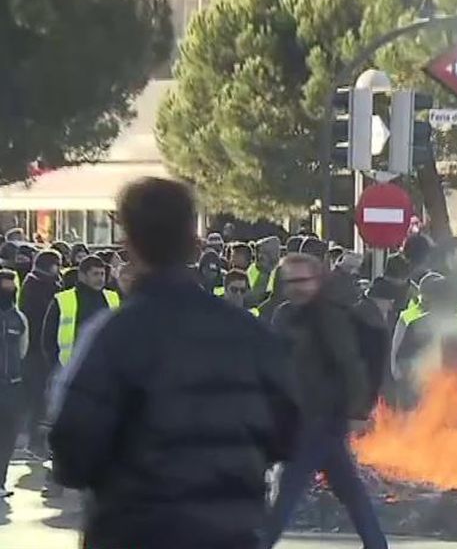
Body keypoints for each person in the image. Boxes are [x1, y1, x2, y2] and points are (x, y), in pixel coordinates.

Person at [48, 177, 300, 549]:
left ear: (129, 243)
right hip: (229, 534)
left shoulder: (114, 335)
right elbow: (288, 432)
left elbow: (72, 449)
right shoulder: (251, 335)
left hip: (135, 531)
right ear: (193, 241)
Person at [264, 254, 388, 549]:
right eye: (290, 281)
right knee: (350, 489)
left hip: (321, 417)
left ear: (317, 280)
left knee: (289, 489)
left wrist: (359, 410)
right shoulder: (285, 315)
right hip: (304, 416)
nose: (296, 288)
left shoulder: (329, 316)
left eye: (303, 281)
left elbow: (350, 364)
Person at [40, 255, 120, 498]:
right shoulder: (63, 300)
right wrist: (57, 368)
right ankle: (55, 479)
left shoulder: (112, 298)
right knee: (64, 429)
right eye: (95, 274)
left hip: (106, 377)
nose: (99, 279)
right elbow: (48, 337)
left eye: (102, 274)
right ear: (83, 275)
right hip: (69, 376)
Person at [18, 250, 62, 458]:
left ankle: (40, 442)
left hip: (41, 349)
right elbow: (39, 317)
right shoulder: (37, 285)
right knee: (39, 398)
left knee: (43, 399)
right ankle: (35, 443)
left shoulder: (40, 283)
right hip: (37, 350)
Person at [0, 270, 27, 497]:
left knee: (7, 436)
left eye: (11, 288)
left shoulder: (18, 318)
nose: (7, 292)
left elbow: (22, 350)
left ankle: (0, 481)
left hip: (11, 386)